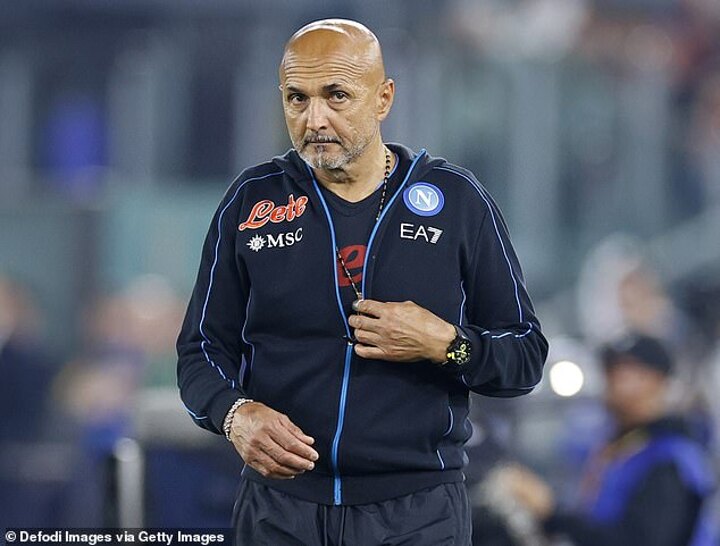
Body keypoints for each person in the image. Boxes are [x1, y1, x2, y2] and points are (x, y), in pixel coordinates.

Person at [177, 19, 548, 545]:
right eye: (297, 98)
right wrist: (235, 415)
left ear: (383, 98)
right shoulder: (251, 201)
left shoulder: (457, 201)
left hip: (416, 515)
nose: (315, 119)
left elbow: (525, 356)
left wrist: (447, 344)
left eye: (336, 96)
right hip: (279, 511)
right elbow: (199, 350)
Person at [500, 333, 716, 546]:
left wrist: (552, 513)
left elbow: (638, 541)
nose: (613, 381)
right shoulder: (617, 443)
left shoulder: (671, 457)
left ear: (656, 381)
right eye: (611, 370)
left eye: (627, 372)